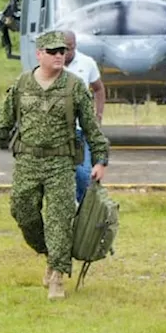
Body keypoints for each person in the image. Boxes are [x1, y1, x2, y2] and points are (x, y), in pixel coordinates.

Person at [0, 30, 110, 301]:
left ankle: (57, 277)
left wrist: (100, 158)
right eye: (52, 51)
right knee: (22, 210)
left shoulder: (75, 86)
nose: (58, 56)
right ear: (39, 54)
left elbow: (91, 127)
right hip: (27, 162)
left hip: (60, 163)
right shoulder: (22, 84)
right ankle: (51, 254)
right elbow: (4, 120)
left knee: (59, 219)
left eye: (62, 51)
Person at [61, 30, 105, 204]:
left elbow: (99, 89)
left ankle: (82, 209)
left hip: (80, 128)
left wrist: (98, 115)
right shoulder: (50, 64)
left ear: (75, 46)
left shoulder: (87, 63)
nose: (65, 53)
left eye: (69, 49)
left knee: (82, 173)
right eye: (62, 49)